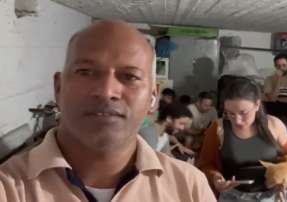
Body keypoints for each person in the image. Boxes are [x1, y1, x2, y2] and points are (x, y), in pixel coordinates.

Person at [0, 20, 216, 202]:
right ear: (58, 88)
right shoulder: (9, 188)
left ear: (152, 97)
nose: (106, 91)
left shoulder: (190, 188)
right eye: (86, 72)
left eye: (130, 76)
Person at [197, 76, 287, 201]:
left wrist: (285, 177)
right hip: (232, 196)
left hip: (270, 196)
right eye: (230, 113)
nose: (237, 121)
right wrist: (216, 177)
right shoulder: (218, 128)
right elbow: (205, 163)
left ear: (257, 104)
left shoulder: (274, 125)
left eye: (243, 113)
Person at [263, 53, 287, 126]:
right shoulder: (269, 79)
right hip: (270, 115)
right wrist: (278, 80)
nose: (281, 68)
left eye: (284, 65)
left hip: (286, 116)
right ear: (275, 66)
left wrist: (278, 99)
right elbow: (271, 98)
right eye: (278, 66)